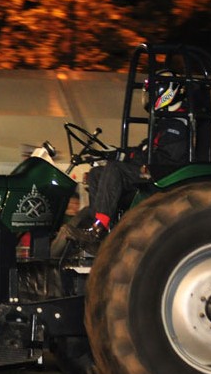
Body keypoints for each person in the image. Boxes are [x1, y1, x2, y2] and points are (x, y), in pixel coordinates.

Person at [58, 68, 191, 252]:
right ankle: (101, 227)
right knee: (97, 173)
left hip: (165, 174)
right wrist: (118, 153)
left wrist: (128, 158)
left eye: (152, 92)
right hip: (153, 168)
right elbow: (144, 149)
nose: (148, 97)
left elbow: (163, 158)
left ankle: (98, 229)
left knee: (115, 169)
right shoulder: (165, 122)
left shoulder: (178, 123)